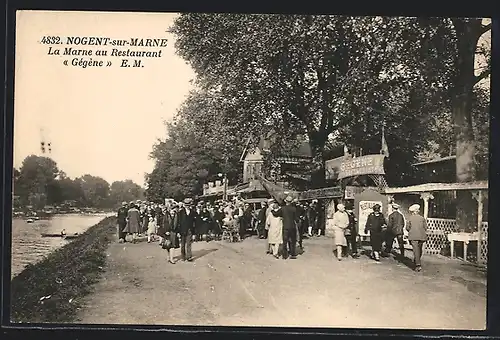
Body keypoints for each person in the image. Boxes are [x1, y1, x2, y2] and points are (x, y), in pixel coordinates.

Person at [406, 204, 428, 272]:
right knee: (419, 249)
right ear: (417, 211)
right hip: (421, 236)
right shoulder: (422, 218)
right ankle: (417, 260)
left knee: (415, 250)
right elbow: (425, 227)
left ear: (413, 212)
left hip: (413, 236)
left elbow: (407, 228)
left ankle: (417, 264)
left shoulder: (410, 218)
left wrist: (411, 231)